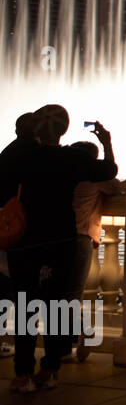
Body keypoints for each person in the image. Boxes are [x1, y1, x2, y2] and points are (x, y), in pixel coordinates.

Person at [4, 107, 116, 392]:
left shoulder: (22, 155)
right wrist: (106, 142)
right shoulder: (72, 158)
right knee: (57, 305)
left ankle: (23, 374)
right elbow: (109, 171)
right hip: (62, 240)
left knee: (26, 306)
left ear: (36, 130)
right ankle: (51, 369)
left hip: (27, 241)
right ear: (64, 130)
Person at [66, 141, 124, 362]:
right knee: (72, 293)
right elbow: (116, 187)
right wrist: (108, 144)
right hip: (80, 238)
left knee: (56, 293)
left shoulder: (65, 176)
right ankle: (81, 331)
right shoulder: (94, 177)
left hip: (55, 238)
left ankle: (65, 343)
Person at [0, 112, 38, 357]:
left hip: (4, 227)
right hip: (22, 232)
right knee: (26, 293)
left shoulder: (7, 153)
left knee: (2, 286)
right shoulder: (34, 155)